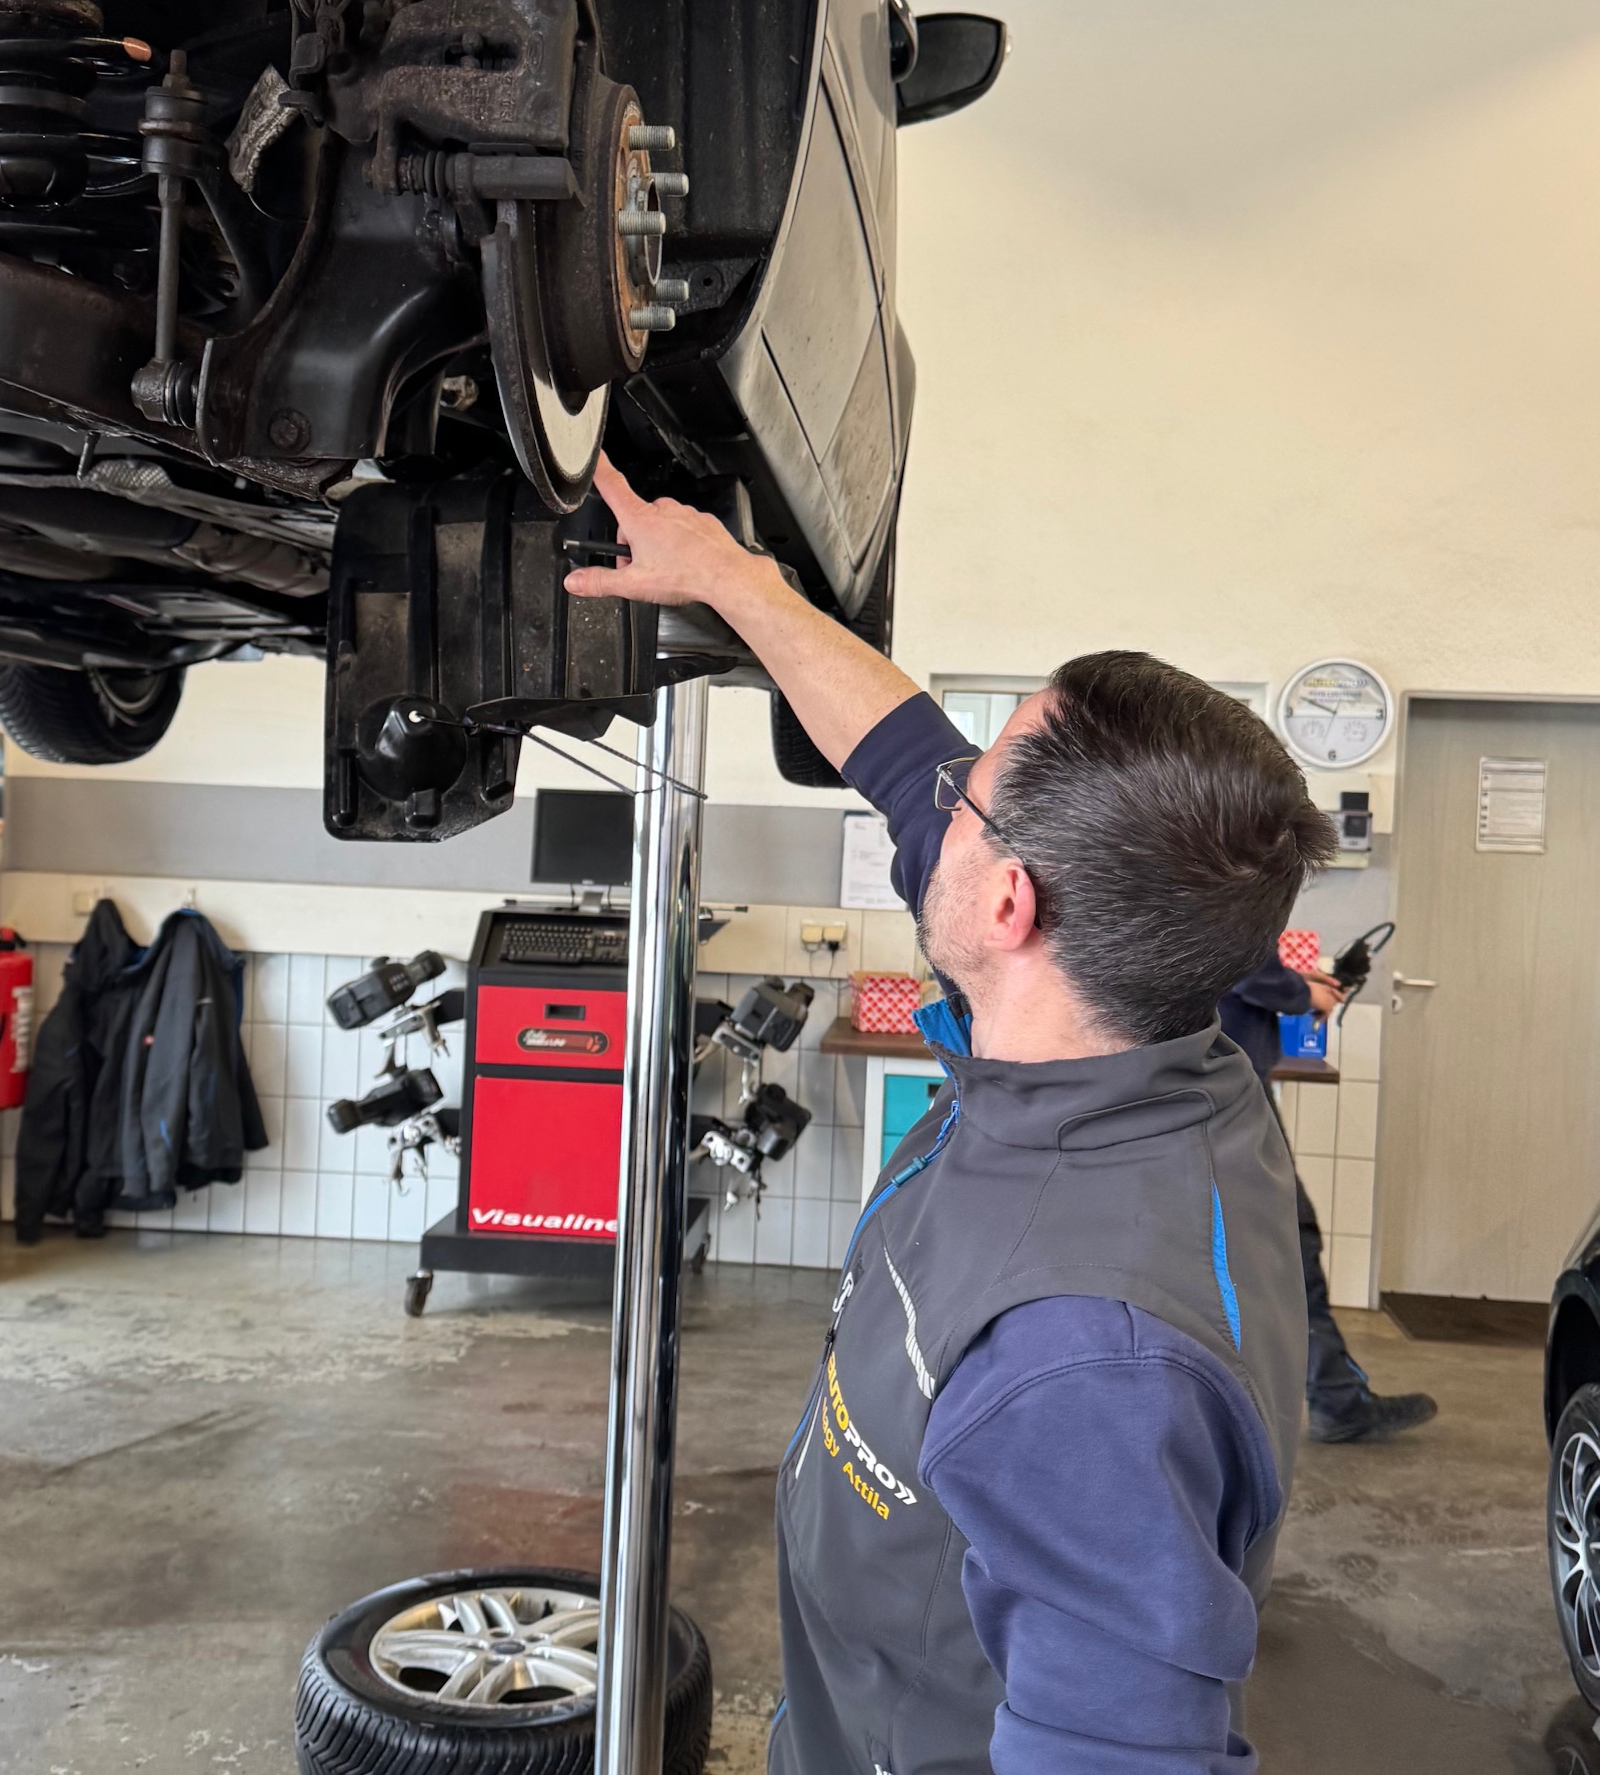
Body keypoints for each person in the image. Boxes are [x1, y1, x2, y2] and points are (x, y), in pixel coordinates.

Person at [568, 456, 1338, 1775]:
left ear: (1007, 906)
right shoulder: (1150, 1025)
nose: (944, 798)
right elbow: (900, 746)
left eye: (975, 796)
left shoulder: (1090, 1366)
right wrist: (723, 575)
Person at [1219, 956, 1437, 1444]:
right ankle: (1337, 1400)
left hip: (1214, 1082)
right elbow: (1239, 954)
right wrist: (1300, 994)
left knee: (1267, 1248)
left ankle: (1332, 1394)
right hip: (1229, 1091)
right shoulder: (1229, 875)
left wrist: (1295, 982)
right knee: (1291, 1244)